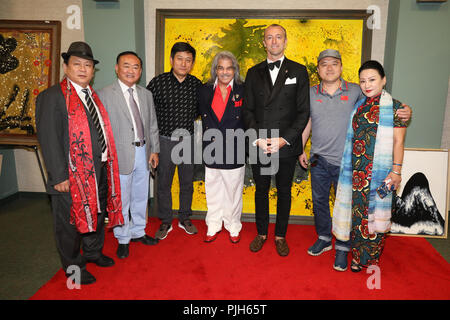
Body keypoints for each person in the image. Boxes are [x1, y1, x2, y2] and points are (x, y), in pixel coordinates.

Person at [299, 50, 412, 271]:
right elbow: (307, 121)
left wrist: (407, 110)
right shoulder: (310, 93)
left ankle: (343, 247)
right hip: (319, 160)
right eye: (324, 64)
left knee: (349, 207)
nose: (329, 68)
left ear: (341, 67)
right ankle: (323, 238)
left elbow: (387, 109)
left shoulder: (355, 92)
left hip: (347, 163)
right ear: (318, 69)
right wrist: (301, 148)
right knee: (320, 202)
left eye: (334, 64)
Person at [35, 41, 124, 285]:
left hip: (99, 169)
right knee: (69, 223)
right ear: (66, 67)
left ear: (93, 70)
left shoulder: (90, 95)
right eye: (77, 64)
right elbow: (49, 139)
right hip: (70, 176)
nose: (83, 69)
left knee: (96, 212)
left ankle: (93, 252)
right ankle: (73, 267)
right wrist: (59, 176)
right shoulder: (52, 97)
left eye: (88, 65)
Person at [332, 60, 408, 272]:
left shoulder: (396, 108)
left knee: (376, 217)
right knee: (358, 215)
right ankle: (357, 256)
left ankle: (371, 258)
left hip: (381, 173)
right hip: (356, 172)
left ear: (383, 80)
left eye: (372, 80)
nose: (367, 85)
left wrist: (396, 171)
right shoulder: (358, 106)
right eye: (363, 81)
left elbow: (398, 142)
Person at [242, 24, 310, 256]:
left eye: (278, 37)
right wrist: (257, 139)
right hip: (260, 144)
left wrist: (285, 140)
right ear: (263, 42)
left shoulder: (299, 71)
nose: (274, 41)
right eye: (269, 38)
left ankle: (280, 235)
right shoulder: (253, 72)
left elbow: (303, 112)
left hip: (286, 146)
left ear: (285, 40)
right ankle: (261, 233)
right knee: (260, 190)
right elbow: (247, 111)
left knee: (283, 191)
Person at [98, 51, 160, 259]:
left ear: (140, 71)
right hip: (120, 154)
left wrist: (154, 150)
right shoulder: (104, 94)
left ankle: (138, 231)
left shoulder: (145, 94)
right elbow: (100, 130)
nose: (131, 70)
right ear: (117, 68)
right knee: (121, 198)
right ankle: (123, 237)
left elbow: (152, 124)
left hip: (144, 150)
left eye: (135, 67)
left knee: (141, 195)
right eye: (126, 66)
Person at [147, 42, 202, 240]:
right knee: (164, 184)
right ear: (171, 60)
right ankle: (165, 221)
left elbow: (199, 112)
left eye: (188, 60)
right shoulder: (157, 83)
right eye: (180, 59)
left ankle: (185, 218)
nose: (184, 63)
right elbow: (149, 114)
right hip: (164, 140)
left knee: (187, 182)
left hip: (187, 141)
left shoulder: (197, 85)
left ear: (192, 63)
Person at [197, 51, 245, 243]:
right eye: (220, 67)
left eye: (229, 68)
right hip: (212, 146)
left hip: (235, 146)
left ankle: (233, 224)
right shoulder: (204, 90)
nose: (225, 72)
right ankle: (214, 223)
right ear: (215, 70)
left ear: (235, 70)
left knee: (233, 190)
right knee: (213, 188)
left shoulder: (244, 89)